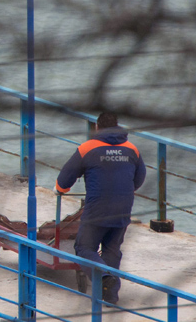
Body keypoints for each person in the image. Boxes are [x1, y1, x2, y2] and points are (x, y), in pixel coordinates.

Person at [54, 112, 146, 304]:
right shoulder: (132, 149)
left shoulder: (88, 148)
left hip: (98, 209)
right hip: (123, 207)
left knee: (83, 247)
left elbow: (64, 180)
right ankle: (110, 297)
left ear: (97, 128)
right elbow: (139, 179)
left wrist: (60, 189)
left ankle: (104, 277)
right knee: (112, 250)